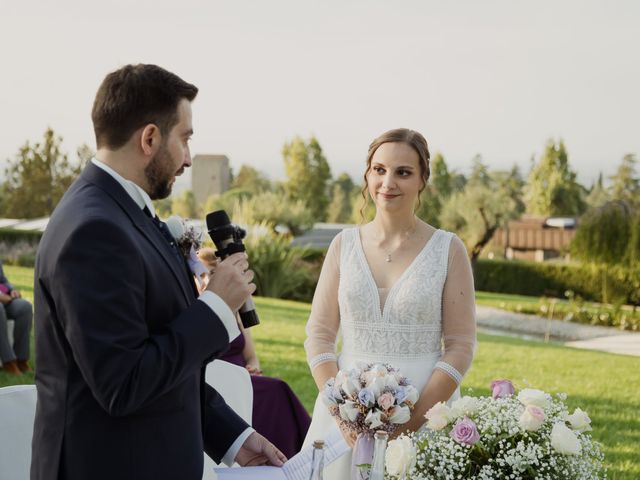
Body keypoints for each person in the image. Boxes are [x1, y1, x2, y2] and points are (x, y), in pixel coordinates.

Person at [31, 64, 286, 480]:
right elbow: (125, 383)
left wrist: (234, 438)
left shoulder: (127, 215)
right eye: (184, 138)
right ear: (150, 138)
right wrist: (216, 307)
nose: (187, 158)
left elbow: (163, 360)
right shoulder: (93, 230)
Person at [303, 128, 477, 478]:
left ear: (422, 180)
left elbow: (460, 346)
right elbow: (319, 336)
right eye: (379, 169)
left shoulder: (448, 249)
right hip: (344, 420)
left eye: (403, 172)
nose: (388, 182)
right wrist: (341, 414)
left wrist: (410, 423)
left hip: (427, 410)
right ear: (367, 175)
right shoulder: (343, 245)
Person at [197, 248, 312, 459]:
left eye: (213, 273)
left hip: (245, 376)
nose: (208, 279)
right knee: (276, 389)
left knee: (276, 388)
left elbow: (250, 354)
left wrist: (253, 367)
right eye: (202, 275)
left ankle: (295, 453)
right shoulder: (198, 313)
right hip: (219, 381)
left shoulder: (236, 309)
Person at [0, 260, 33, 375]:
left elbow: (2, 280)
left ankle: (21, 359)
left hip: (3, 296)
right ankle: (8, 361)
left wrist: (11, 290)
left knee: (25, 307)